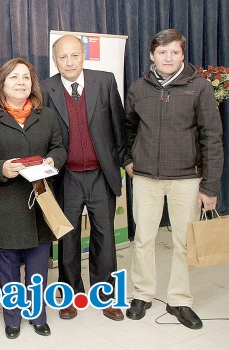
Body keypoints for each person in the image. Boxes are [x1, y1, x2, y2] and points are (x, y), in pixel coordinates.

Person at [124, 29, 223, 329]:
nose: (168, 57)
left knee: (183, 242)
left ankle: (180, 300)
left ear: (183, 55)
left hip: (187, 180)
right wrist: (129, 160)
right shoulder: (138, 88)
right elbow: (128, 129)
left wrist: (210, 186)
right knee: (143, 239)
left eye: (174, 52)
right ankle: (142, 293)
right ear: (152, 54)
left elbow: (212, 139)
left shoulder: (200, 88)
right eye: (162, 52)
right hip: (146, 180)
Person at [0, 58, 67, 339]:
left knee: (38, 265)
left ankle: (38, 315)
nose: (21, 83)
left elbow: (60, 148)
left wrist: (52, 160)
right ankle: (12, 318)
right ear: (2, 83)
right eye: (14, 77)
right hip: (4, 204)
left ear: (32, 84)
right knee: (9, 266)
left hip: (40, 202)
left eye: (26, 77)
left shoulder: (46, 116)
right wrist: (1, 168)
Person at [40, 35, 125, 321]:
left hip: (101, 174)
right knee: (68, 238)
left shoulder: (105, 81)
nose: (69, 62)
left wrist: (118, 163)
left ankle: (106, 294)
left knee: (105, 237)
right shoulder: (44, 88)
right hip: (67, 177)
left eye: (74, 55)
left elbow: (118, 126)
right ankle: (71, 294)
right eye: (62, 57)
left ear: (83, 55)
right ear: (55, 60)